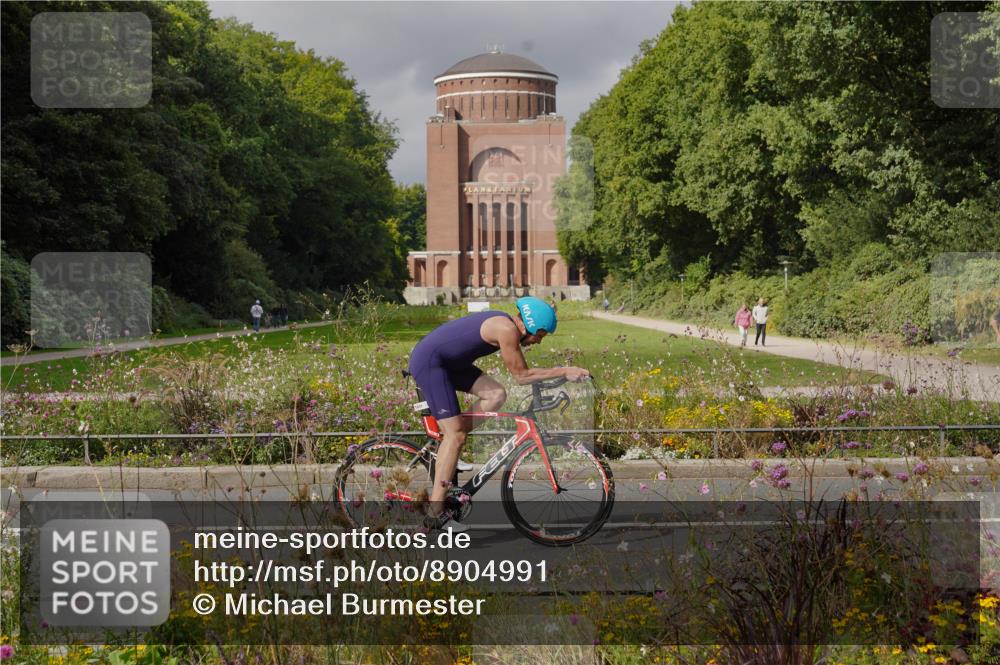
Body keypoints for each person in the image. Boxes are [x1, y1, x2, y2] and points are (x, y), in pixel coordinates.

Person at [408, 297, 590, 531]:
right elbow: (522, 376)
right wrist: (565, 370)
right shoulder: (506, 329)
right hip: (432, 363)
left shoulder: (506, 324)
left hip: (451, 363)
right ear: (534, 326)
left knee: (495, 394)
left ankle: (447, 447)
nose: (538, 342)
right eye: (540, 336)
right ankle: (435, 513)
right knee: (456, 436)